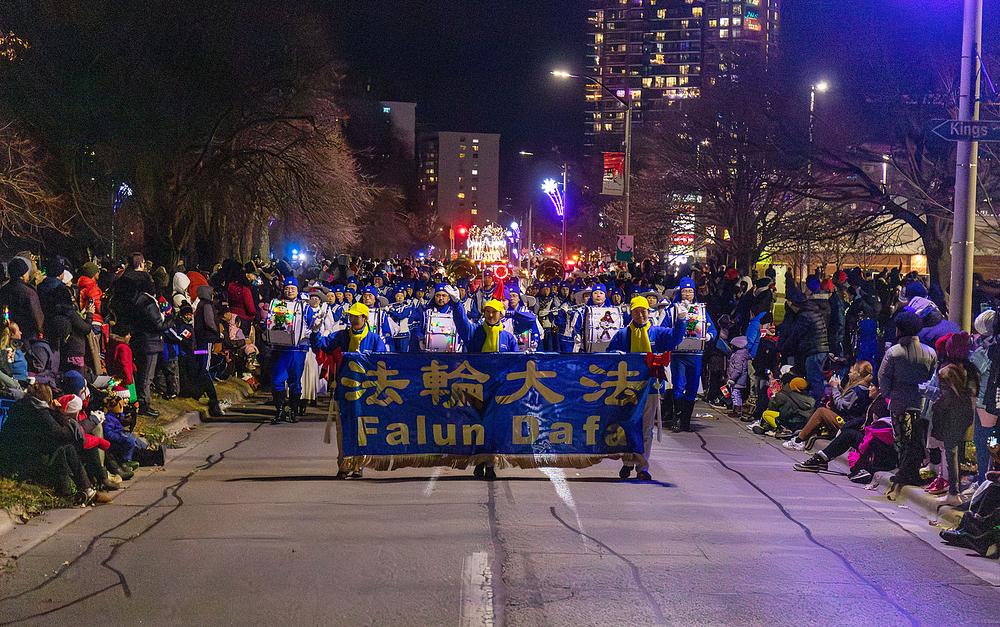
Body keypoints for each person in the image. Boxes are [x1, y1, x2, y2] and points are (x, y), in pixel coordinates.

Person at [608, 296, 684, 479]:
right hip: (627, 387)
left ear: (649, 312)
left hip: (650, 386)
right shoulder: (623, 334)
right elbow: (609, 353)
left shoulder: (657, 333)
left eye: (644, 311)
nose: (641, 315)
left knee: (646, 427)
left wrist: (681, 321)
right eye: (636, 311)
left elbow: (675, 338)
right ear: (631, 313)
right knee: (627, 424)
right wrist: (616, 354)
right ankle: (627, 462)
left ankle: (642, 467)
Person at [880, 310, 937, 491]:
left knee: (901, 438)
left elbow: (884, 377)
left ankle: (903, 470)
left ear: (898, 330)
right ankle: (914, 469)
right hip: (921, 402)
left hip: (899, 401)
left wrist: (887, 394)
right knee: (918, 439)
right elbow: (933, 377)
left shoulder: (894, 352)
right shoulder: (930, 352)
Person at [783, 361, 873, 451]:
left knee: (821, 411)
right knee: (824, 410)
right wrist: (838, 389)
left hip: (847, 423)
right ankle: (806, 435)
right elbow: (846, 402)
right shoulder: (862, 389)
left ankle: (799, 441)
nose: (849, 373)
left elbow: (841, 406)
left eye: (851, 371)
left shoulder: (857, 390)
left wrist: (834, 387)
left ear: (857, 374)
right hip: (850, 421)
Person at [665, 277, 717, 432]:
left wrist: (708, 336)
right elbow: (664, 329)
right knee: (678, 385)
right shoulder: (673, 310)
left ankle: (686, 420)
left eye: (690, 291)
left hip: (696, 354)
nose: (687, 294)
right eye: (684, 291)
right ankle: (677, 419)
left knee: (693, 387)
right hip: (678, 354)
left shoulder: (701, 310)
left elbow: (713, 330)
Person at [264, 277, 315, 424]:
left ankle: (293, 411)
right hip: (280, 348)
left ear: (298, 290)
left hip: (298, 349)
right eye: (287, 288)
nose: (290, 290)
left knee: (295, 381)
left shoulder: (303, 306)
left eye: (293, 288)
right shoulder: (277, 304)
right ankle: (279, 410)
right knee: (277, 380)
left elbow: (311, 324)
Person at [0, 256, 44, 340]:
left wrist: (8, 324)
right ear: (22, 275)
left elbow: (4, 311)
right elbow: (37, 316)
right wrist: (40, 330)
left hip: (8, 332)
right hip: (28, 334)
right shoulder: (29, 293)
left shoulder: (3, 290)